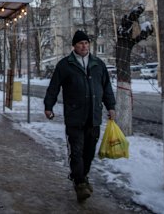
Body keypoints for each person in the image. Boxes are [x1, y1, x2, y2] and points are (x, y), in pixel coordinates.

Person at [44, 30, 116, 202]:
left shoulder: (98, 64)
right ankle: (79, 183)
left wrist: (111, 106)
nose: (84, 46)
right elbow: (54, 87)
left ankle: (82, 177)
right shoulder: (65, 65)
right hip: (75, 117)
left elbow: (106, 87)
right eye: (80, 43)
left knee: (89, 153)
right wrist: (49, 106)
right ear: (74, 46)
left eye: (86, 43)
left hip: (94, 117)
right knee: (76, 152)